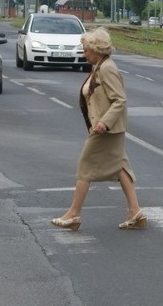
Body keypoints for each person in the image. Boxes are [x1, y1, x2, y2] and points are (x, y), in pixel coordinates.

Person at [51, 27, 145, 231]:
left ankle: (74, 214)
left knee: (85, 166)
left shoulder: (107, 68)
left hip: (106, 130)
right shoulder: (99, 66)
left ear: (97, 50)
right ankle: (135, 212)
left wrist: (104, 122)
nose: (83, 54)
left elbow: (119, 100)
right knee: (120, 166)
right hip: (105, 128)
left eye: (86, 50)